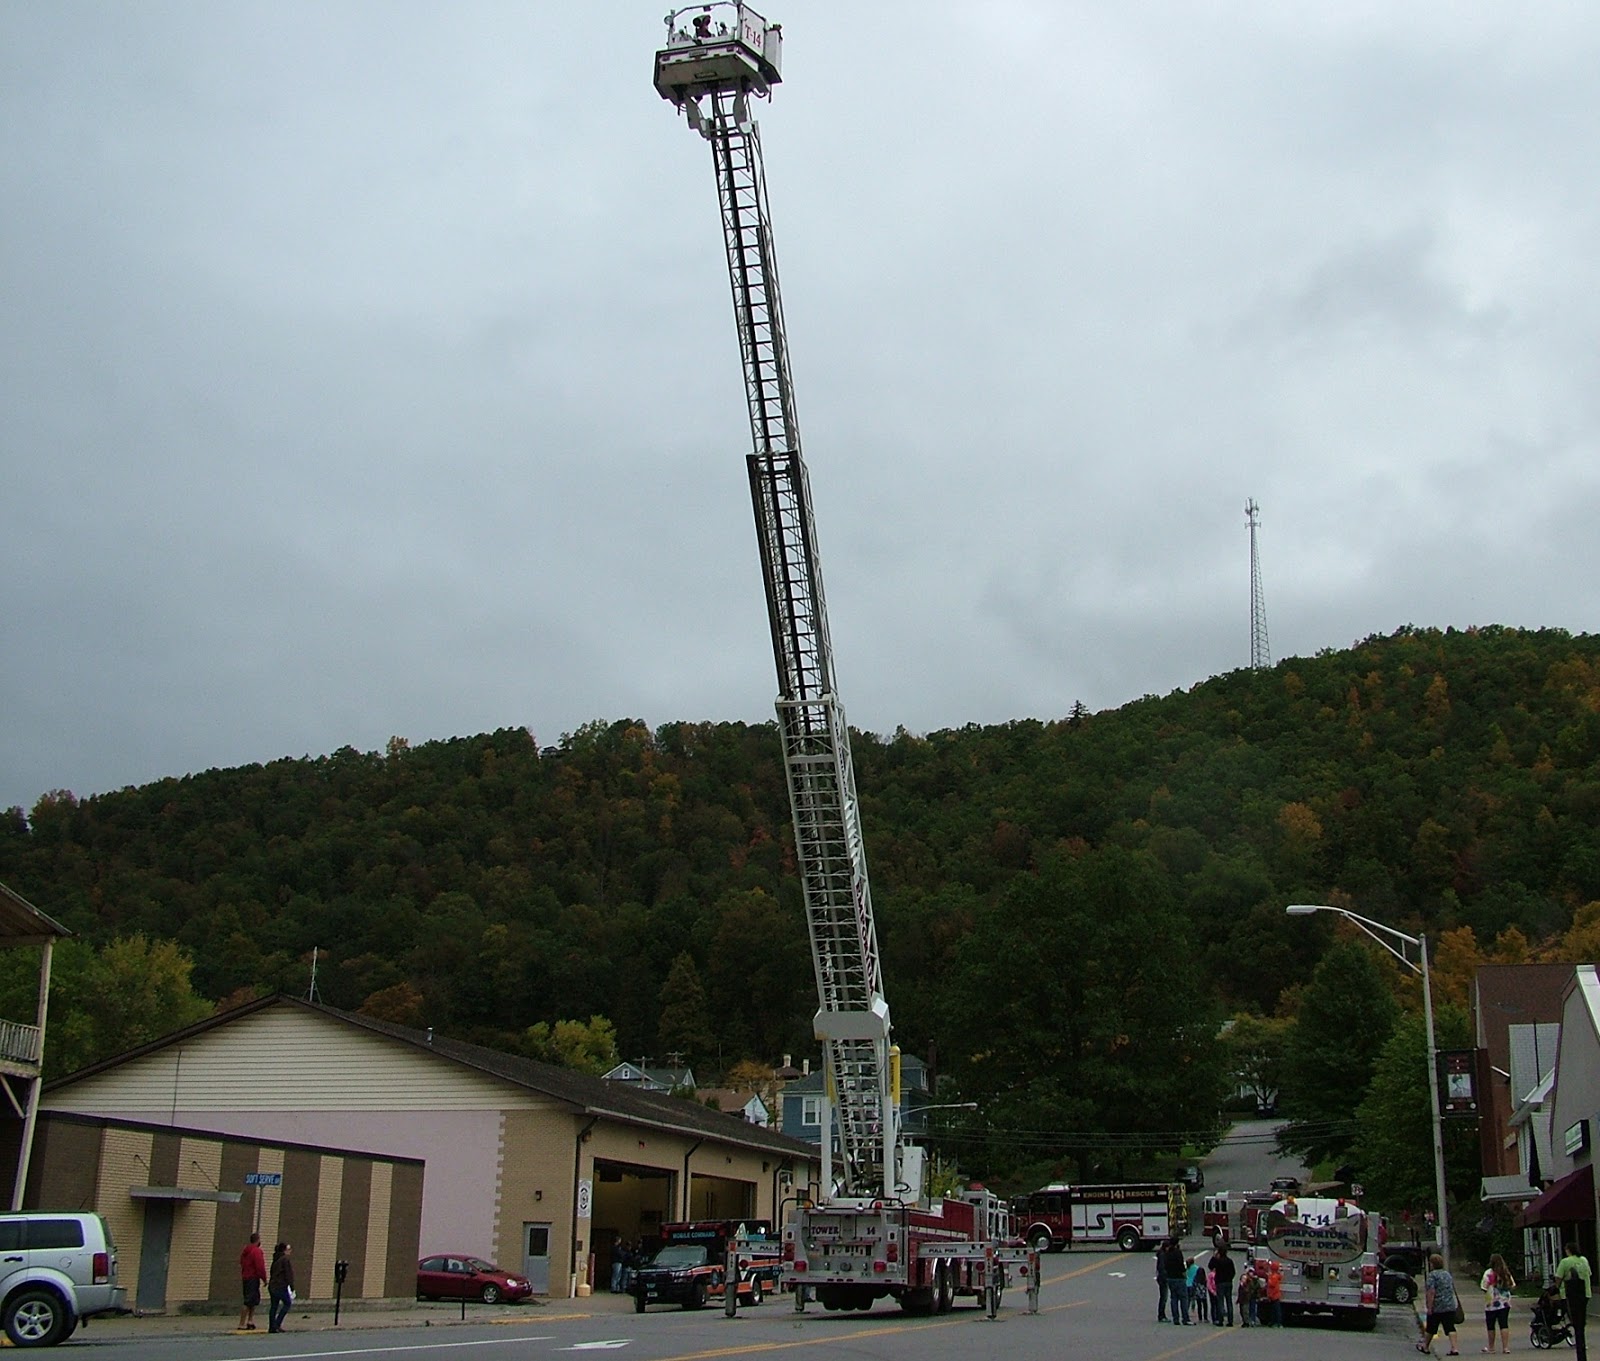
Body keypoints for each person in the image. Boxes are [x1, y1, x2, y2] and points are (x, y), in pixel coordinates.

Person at [1421, 1252, 1462, 1356]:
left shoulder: (1432, 1276)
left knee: (1431, 1328)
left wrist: (1429, 1307)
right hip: (1449, 1305)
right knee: (1450, 1327)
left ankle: (1425, 1346)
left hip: (1437, 1306)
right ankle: (1454, 1348)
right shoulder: (1447, 1274)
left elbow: (1431, 1292)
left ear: (1432, 1264)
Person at [1557, 1242, 1592, 1361]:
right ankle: (1581, 1342)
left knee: (1574, 1319)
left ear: (1568, 1250)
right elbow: (1589, 1274)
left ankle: (1579, 1344)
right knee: (1581, 1320)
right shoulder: (1584, 1260)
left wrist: (1556, 1288)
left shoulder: (1565, 1262)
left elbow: (1558, 1277)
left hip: (1570, 1295)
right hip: (1585, 1293)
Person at [1480, 1253, 1515, 1354]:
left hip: (1491, 1303)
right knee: (1504, 1324)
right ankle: (1505, 1347)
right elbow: (1512, 1285)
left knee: (1491, 1325)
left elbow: (1484, 1287)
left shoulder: (1488, 1273)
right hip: (1505, 1302)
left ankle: (1491, 1347)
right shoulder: (1506, 1273)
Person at [238, 1231, 267, 1332]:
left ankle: (250, 1321)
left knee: (251, 1300)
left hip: (246, 1277)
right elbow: (260, 1266)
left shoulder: (245, 1251)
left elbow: (241, 1262)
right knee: (249, 1301)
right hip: (253, 1278)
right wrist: (264, 1278)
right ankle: (242, 1323)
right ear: (257, 1240)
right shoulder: (256, 1251)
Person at [1161, 1236, 1189, 1325]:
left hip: (1170, 1277)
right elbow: (1181, 1265)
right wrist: (1184, 1274)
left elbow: (1165, 1265)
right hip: (1179, 1277)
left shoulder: (1167, 1253)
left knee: (1174, 1298)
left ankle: (1175, 1318)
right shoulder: (1178, 1253)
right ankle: (1185, 1318)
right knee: (1183, 1298)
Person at [268, 1241, 295, 1334]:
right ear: (284, 1250)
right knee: (287, 1303)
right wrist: (291, 1286)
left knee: (274, 1306)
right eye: (288, 1249)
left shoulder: (275, 1259)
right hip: (281, 1286)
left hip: (273, 1285)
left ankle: (272, 1326)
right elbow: (288, 1274)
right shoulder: (285, 1260)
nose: (290, 1251)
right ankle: (277, 1324)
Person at [1210, 1243, 1236, 1326]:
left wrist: (1214, 1256)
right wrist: (1230, 1278)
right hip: (1228, 1282)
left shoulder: (1218, 1261)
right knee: (1229, 1301)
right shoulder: (1229, 1261)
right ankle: (1230, 1320)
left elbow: (1210, 1266)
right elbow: (1233, 1272)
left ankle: (1220, 1320)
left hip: (1220, 1282)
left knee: (1220, 1301)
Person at [1186, 1256, 1207, 1322]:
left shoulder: (1187, 1269)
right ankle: (1193, 1310)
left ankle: (1186, 1311)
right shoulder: (1197, 1268)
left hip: (1187, 1284)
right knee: (1194, 1299)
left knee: (1188, 1299)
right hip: (1194, 1285)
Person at [1263, 1258, 1283, 1327]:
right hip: (1274, 1295)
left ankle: (1277, 1322)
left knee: (1275, 1310)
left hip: (1274, 1296)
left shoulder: (1273, 1276)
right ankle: (1274, 1322)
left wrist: (1268, 1278)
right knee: (1274, 1310)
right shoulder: (1276, 1275)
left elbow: (1272, 1284)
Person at [1155, 1240, 1169, 1322]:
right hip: (1163, 1278)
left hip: (1160, 1277)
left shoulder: (1161, 1254)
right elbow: (1162, 1267)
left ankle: (1161, 1314)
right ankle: (1161, 1315)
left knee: (1163, 1297)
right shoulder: (1163, 1255)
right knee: (1164, 1297)